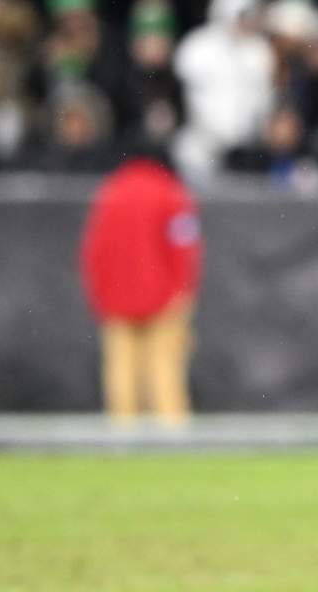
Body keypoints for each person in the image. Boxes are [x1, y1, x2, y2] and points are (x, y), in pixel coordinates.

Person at [80, 150, 202, 425]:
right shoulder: (170, 193)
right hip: (164, 298)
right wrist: (184, 290)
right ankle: (172, 437)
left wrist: (99, 295)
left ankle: (122, 436)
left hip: (115, 299)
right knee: (165, 372)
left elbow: (93, 250)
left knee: (120, 371)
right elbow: (184, 247)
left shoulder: (110, 192)